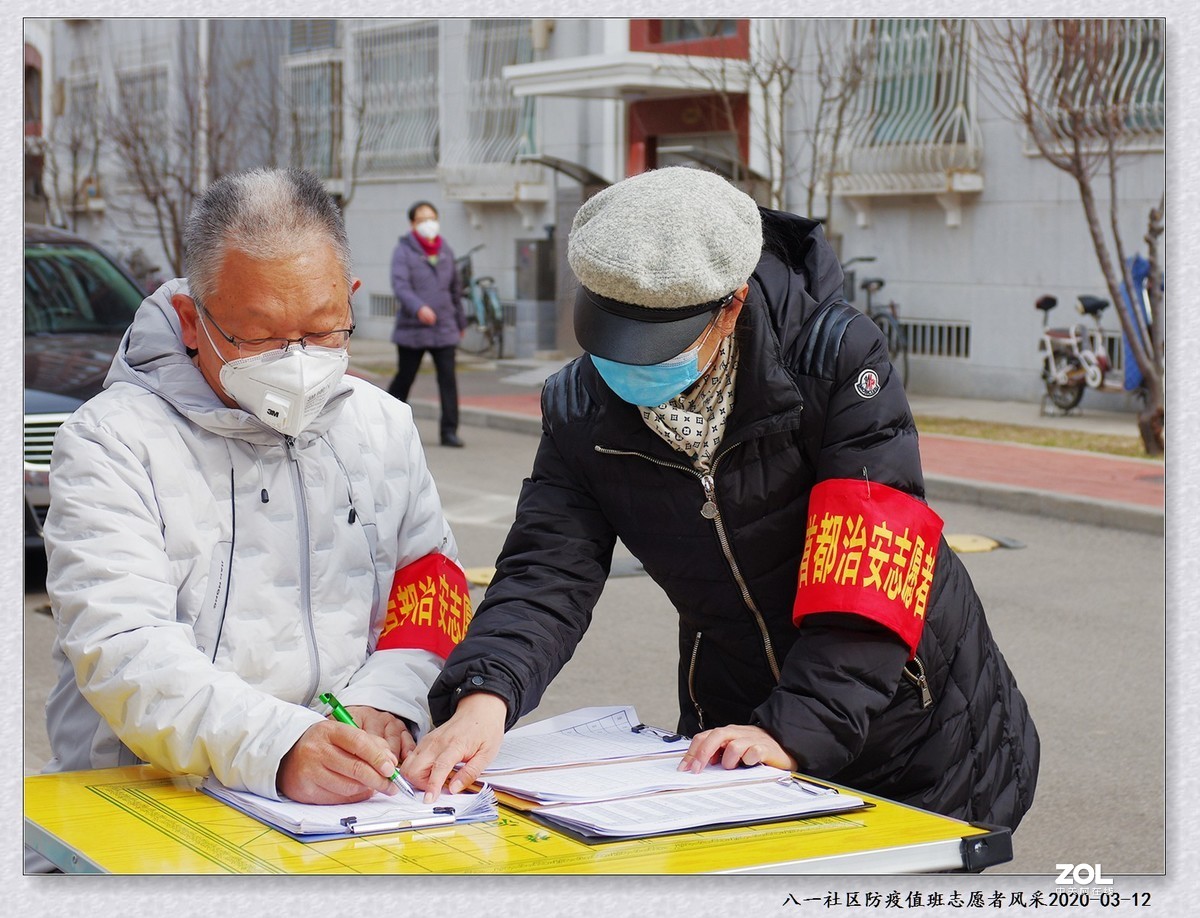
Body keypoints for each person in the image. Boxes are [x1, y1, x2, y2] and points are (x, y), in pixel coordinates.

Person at [403, 167, 1039, 831]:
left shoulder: (835, 359)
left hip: (910, 722)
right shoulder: (579, 405)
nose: (627, 370)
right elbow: (547, 571)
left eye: (655, 346)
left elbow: (869, 572)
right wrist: (486, 694)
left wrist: (794, 732)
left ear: (730, 306)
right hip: (733, 727)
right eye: (610, 341)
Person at [37, 169, 471, 827]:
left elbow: (431, 576)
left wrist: (388, 699)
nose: (296, 361)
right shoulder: (113, 441)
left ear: (350, 300)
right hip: (150, 804)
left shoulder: (382, 425)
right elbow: (122, 644)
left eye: (326, 329)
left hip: (352, 805)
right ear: (190, 320)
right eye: (261, 336)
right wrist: (278, 746)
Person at [388, 200, 467, 447]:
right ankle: (387, 423)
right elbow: (400, 285)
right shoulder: (404, 251)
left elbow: (456, 288)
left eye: (432, 218)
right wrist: (418, 307)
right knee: (405, 377)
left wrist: (460, 320)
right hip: (413, 329)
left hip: (444, 326)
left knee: (448, 379)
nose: (428, 224)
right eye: (422, 219)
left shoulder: (445, 250)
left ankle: (449, 431)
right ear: (412, 224)